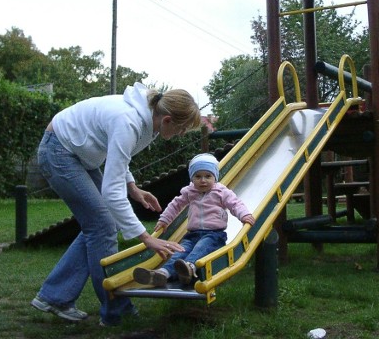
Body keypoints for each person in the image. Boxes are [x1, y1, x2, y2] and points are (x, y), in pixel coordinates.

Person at [31, 82, 201, 327]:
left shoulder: (146, 120)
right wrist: (146, 237)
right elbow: (112, 192)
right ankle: (116, 310)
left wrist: (133, 188)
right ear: (167, 120)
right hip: (59, 152)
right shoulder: (129, 120)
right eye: (182, 128)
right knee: (102, 227)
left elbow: (120, 155)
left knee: (97, 226)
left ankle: (54, 296)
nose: (181, 134)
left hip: (78, 155)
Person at [133, 153, 255, 287]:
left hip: (214, 235)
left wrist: (244, 215)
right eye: (198, 176)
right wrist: (164, 220)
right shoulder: (189, 192)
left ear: (215, 177)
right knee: (180, 252)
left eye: (208, 176)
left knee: (200, 249)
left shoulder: (221, 192)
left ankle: (189, 268)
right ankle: (162, 274)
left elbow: (235, 204)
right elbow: (175, 205)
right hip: (192, 235)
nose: (203, 180)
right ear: (192, 178)